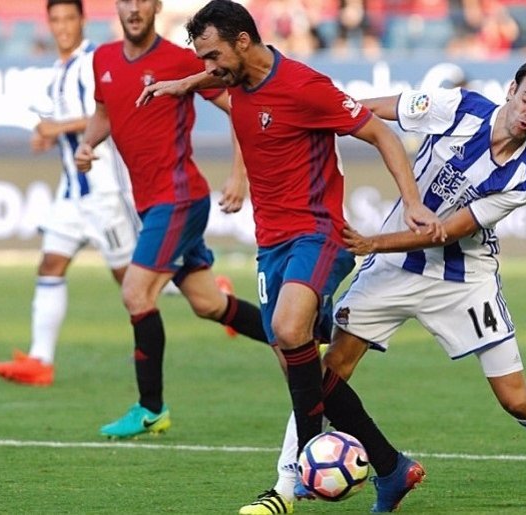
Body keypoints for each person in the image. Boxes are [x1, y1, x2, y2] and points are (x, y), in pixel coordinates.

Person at [252, 52, 526, 513]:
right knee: (323, 373)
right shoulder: (459, 107)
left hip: (464, 280)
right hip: (393, 267)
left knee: (517, 400)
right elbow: (372, 110)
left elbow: (451, 230)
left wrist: (373, 243)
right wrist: (328, 113)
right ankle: (286, 487)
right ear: (512, 89)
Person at [136, 0, 444, 511]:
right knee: (297, 363)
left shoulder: (305, 87)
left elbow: (381, 133)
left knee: (287, 330)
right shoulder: (233, 78)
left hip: (318, 233)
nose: (207, 68)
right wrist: (184, 84)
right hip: (271, 243)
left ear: (242, 41)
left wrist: (411, 203)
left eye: (212, 55)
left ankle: (305, 460)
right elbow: (213, 81)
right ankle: (391, 467)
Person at [74, 0, 273, 440]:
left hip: (179, 198)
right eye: (126, 1)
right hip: (151, 204)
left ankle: (151, 409)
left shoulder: (183, 61)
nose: (134, 9)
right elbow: (105, 113)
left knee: (135, 291)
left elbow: (237, 106)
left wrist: (239, 175)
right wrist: (88, 145)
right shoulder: (103, 59)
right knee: (207, 303)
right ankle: (300, 335)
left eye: (143, 0)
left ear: (156, 7)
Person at [0, 0, 138, 387]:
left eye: (69, 18)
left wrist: (54, 129)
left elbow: (109, 113)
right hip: (72, 193)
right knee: (50, 265)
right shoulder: (59, 71)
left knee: (134, 281)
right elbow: (63, 129)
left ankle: (212, 295)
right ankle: (41, 359)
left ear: (82, 21)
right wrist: (48, 138)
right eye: (55, 19)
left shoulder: (91, 62)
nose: (62, 26)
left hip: (104, 189)